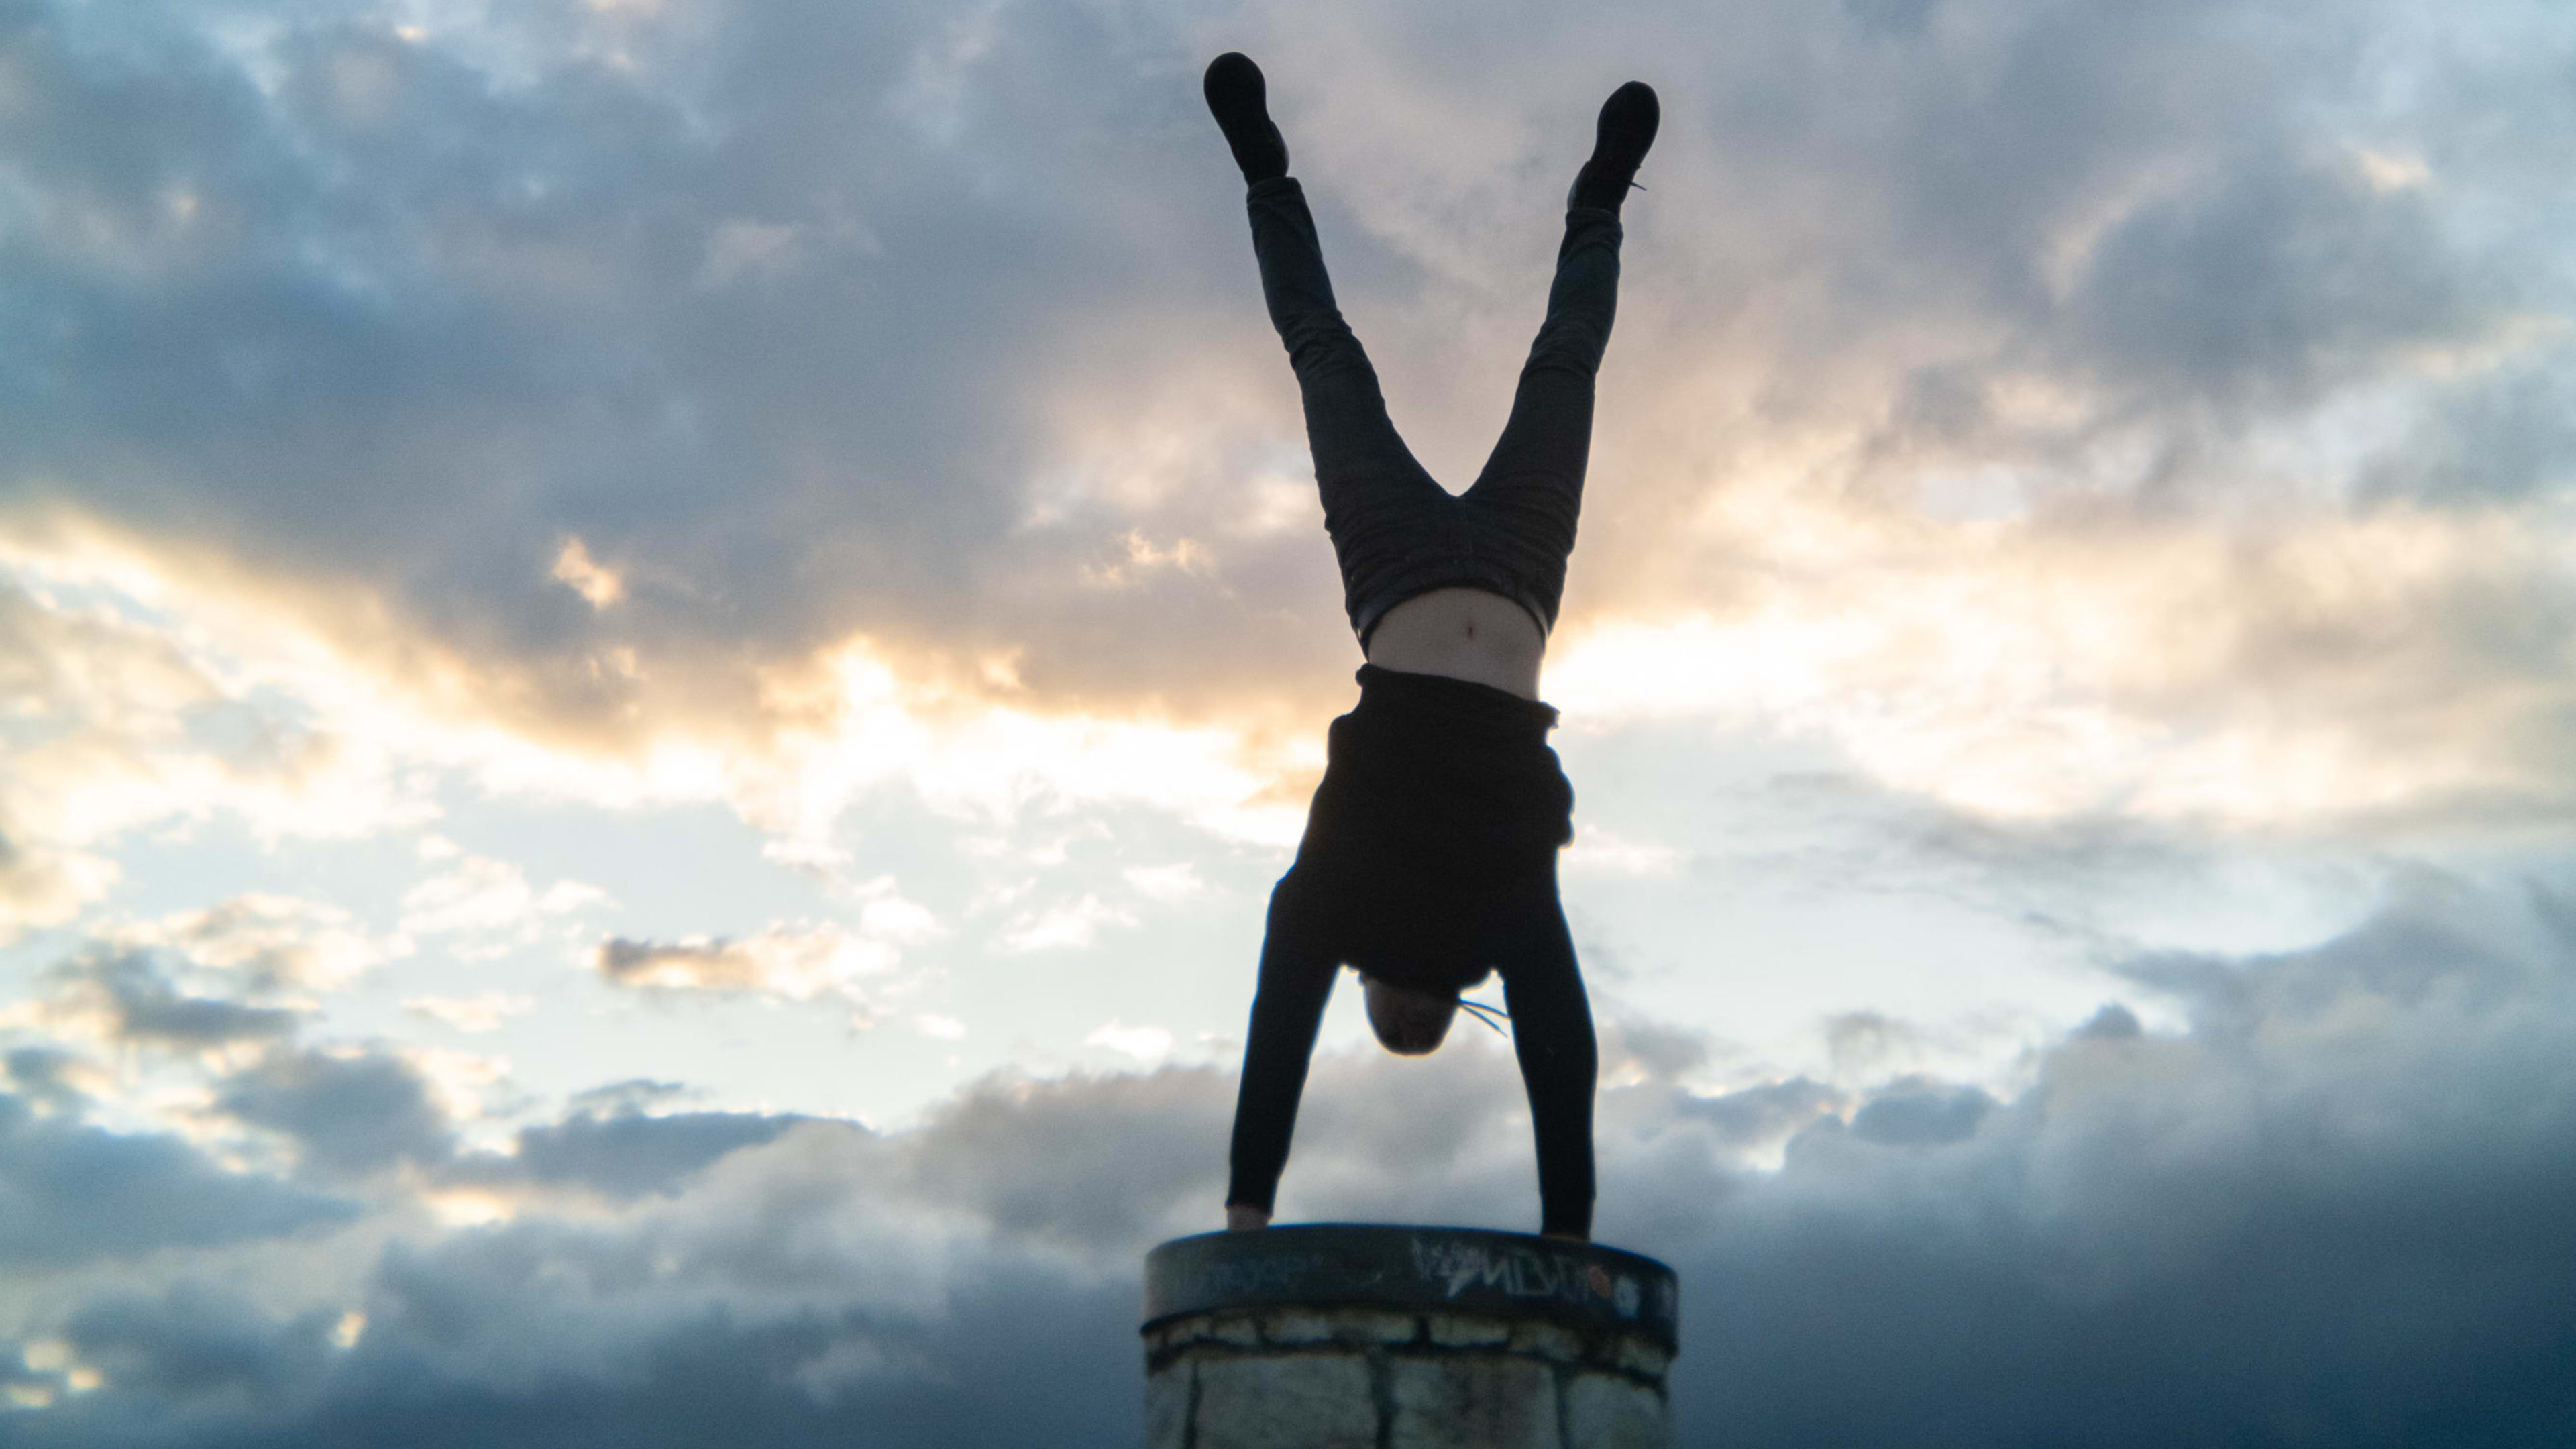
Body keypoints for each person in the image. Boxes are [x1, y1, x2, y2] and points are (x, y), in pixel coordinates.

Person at [1205, 52, 1657, 1244]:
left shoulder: (1338, 902)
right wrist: (1568, 1233)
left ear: (1371, 985)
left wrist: (1248, 1212)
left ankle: (1265, 177)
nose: (1408, 1023)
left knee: (1332, 355)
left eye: (1390, 1027)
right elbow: (1559, 1043)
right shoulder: (1494, 916)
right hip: (1514, 570)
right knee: (1551, 362)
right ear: (1447, 1001)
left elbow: (1279, 1028)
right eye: (1424, 1032)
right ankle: (1598, 204)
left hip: (1405, 572)